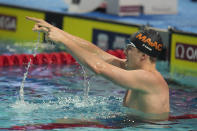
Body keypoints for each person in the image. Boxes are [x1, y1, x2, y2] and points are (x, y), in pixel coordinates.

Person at [26, 16, 169, 122]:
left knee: (63, 122)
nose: (124, 52)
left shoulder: (149, 79)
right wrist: (56, 30)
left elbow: (98, 67)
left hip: (145, 127)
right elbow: (97, 54)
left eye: (129, 48)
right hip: (131, 124)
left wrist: (64, 41)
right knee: (66, 121)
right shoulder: (133, 69)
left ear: (143, 56)